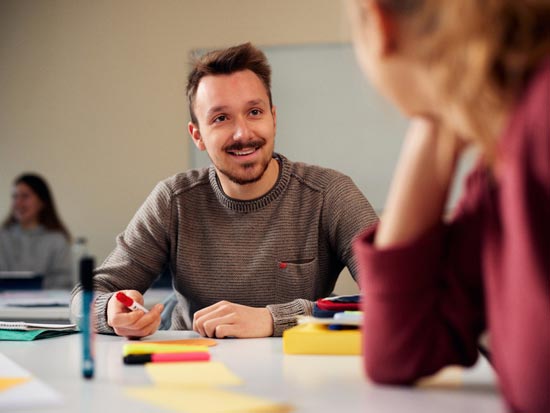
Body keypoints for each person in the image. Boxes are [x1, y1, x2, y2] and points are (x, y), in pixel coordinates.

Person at [70, 42, 378, 339]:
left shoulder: (329, 194)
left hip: (296, 373)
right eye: (221, 118)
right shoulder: (173, 200)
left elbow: (397, 293)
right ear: (198, 135)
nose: (243, 133)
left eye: (254, 112)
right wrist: (110, 309)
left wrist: (273, 319)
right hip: (193, 372)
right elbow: (84, 298)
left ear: (274, 118)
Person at [348, 1, 550, 412]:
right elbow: (400, 350)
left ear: (379, 25)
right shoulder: (503, 162)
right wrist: (439, 111)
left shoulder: (539, 123)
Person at [0, 173, 72, 289]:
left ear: (42, 202)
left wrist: (31, 286)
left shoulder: (57, 240)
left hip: (45, 305)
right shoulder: (2, 237)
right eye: (15, 196)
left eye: (25, 196)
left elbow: (64, 280)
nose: (18, 203)